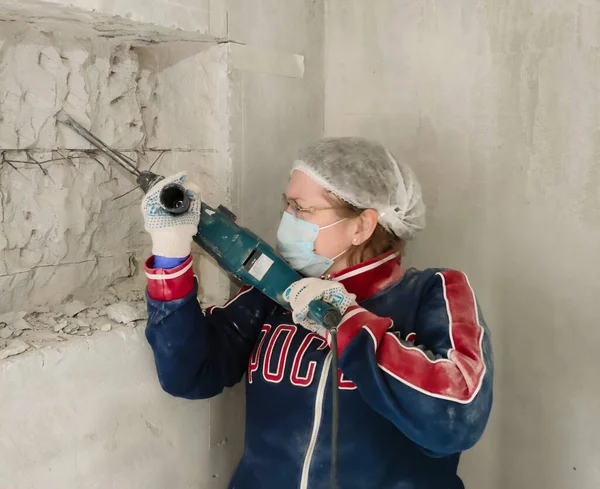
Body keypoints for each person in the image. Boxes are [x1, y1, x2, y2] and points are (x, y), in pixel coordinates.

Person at [142, 138, 493, 489]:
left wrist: (346, 320)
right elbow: (187, 374)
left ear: (361, 227)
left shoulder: (431, 293)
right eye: (287, 205)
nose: (286, 218)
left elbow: (457, 417)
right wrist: (170, 253)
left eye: (302, 209)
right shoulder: (276, 291)